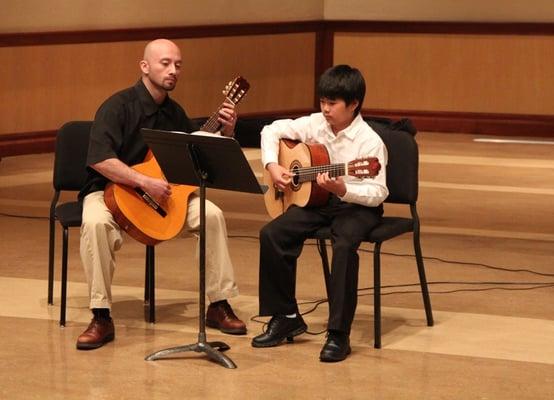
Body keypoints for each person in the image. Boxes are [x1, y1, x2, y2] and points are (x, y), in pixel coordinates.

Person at [76, 39, 246, 350]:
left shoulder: (174, 113)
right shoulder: (116, 107)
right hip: (109, 192)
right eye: (165, 63)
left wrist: (227, 131)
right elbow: (100, 159)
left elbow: (197, 159)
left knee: (212, 214)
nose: (173, 70)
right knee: (95, 224)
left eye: (178, 65)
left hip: (163, 197)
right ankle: (101, 315)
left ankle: (218, 304)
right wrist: (143, 181)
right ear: (145, 67)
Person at [251, 65, 389, 362]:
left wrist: (343, 189)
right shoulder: (315, 124)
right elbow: (270, 130)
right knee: (273, 234)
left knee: (343, 246)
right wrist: (272, 166)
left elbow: (378, 193)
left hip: (357, 206)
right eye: (323, 101)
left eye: (333, 103)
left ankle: (339, 333)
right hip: (319, 200)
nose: (325, 109)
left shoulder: (370, 142)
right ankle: (286, 315)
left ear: (353, 104)